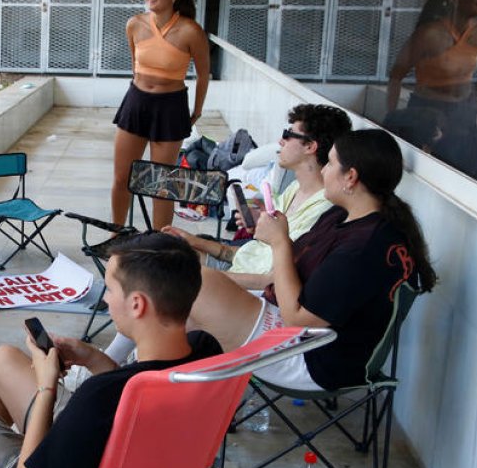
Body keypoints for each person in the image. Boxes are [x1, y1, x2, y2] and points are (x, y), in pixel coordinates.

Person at [0, 233, 221, 468]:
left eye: (111, 289)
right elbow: (138, 392)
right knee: (3, 359)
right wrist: (92, 357)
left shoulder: (98, 399)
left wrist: (46, 387)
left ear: (137, 304)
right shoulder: (206, 353)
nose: (105, 298)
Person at [184, 129, 436, 392]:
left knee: (189, 287)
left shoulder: (363, 248)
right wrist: (276, 235)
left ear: (350, 177)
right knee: (177, 287)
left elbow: (298, 318)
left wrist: (279, 242)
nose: (323, 170)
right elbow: (298, 272)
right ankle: (157, 386)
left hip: (314, 358)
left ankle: (156, 388)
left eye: (330, 163)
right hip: (300, 332)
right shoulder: (347, 217)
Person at [99, 103, 351, 364]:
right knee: (154, 254)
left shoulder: (324, 210)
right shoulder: (292, 192)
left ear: (311, 147)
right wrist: (195, 241)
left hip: (256, 295)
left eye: (289, 134)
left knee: (162, 282)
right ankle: (115, 363)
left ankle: (126, 367)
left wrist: (213, 276)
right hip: (240, 270)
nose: (280, 140)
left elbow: (273, 277)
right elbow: (254, 253)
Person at [111, 0, 211, 231]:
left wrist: (196, 112)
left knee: (161, 183)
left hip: (170, 106)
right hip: (136, 103)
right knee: (122, 177)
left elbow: (203, 75)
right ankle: (116, 233)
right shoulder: (134, 24)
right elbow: (135, 66)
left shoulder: (191, 31)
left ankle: (159, 242)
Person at [386, 0, 477, 137]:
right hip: (428, 113)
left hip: (464, 111)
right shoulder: (429, 34)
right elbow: (396, 75)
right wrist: (391, 118)